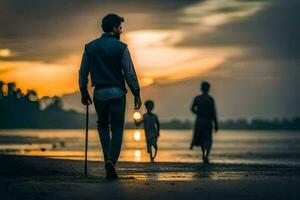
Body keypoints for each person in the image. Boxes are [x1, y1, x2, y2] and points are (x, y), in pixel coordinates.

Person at [79, 14, 142, 179]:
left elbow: (82, 73)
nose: (122, 31)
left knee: (102, 126)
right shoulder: (121, 47)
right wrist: (136, 93)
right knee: (117, 128)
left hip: (99, 93)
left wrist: (83, 91)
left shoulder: (90, 47)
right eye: (120, 27)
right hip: (117, 93)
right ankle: (111, 161)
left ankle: (107, 158)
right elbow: (129, 74)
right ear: (114, 28)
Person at [190, 81, 218, 164]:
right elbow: (213, 112)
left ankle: (204, 154)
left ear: (201, 89)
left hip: (199, 121)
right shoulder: (210, 99)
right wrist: (216, 124)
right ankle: (206, 154)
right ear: (208, 89)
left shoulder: (197, 98)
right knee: (208, 139)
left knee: (201, 138)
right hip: (208, 121)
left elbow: (192, 109)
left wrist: (198, 113)